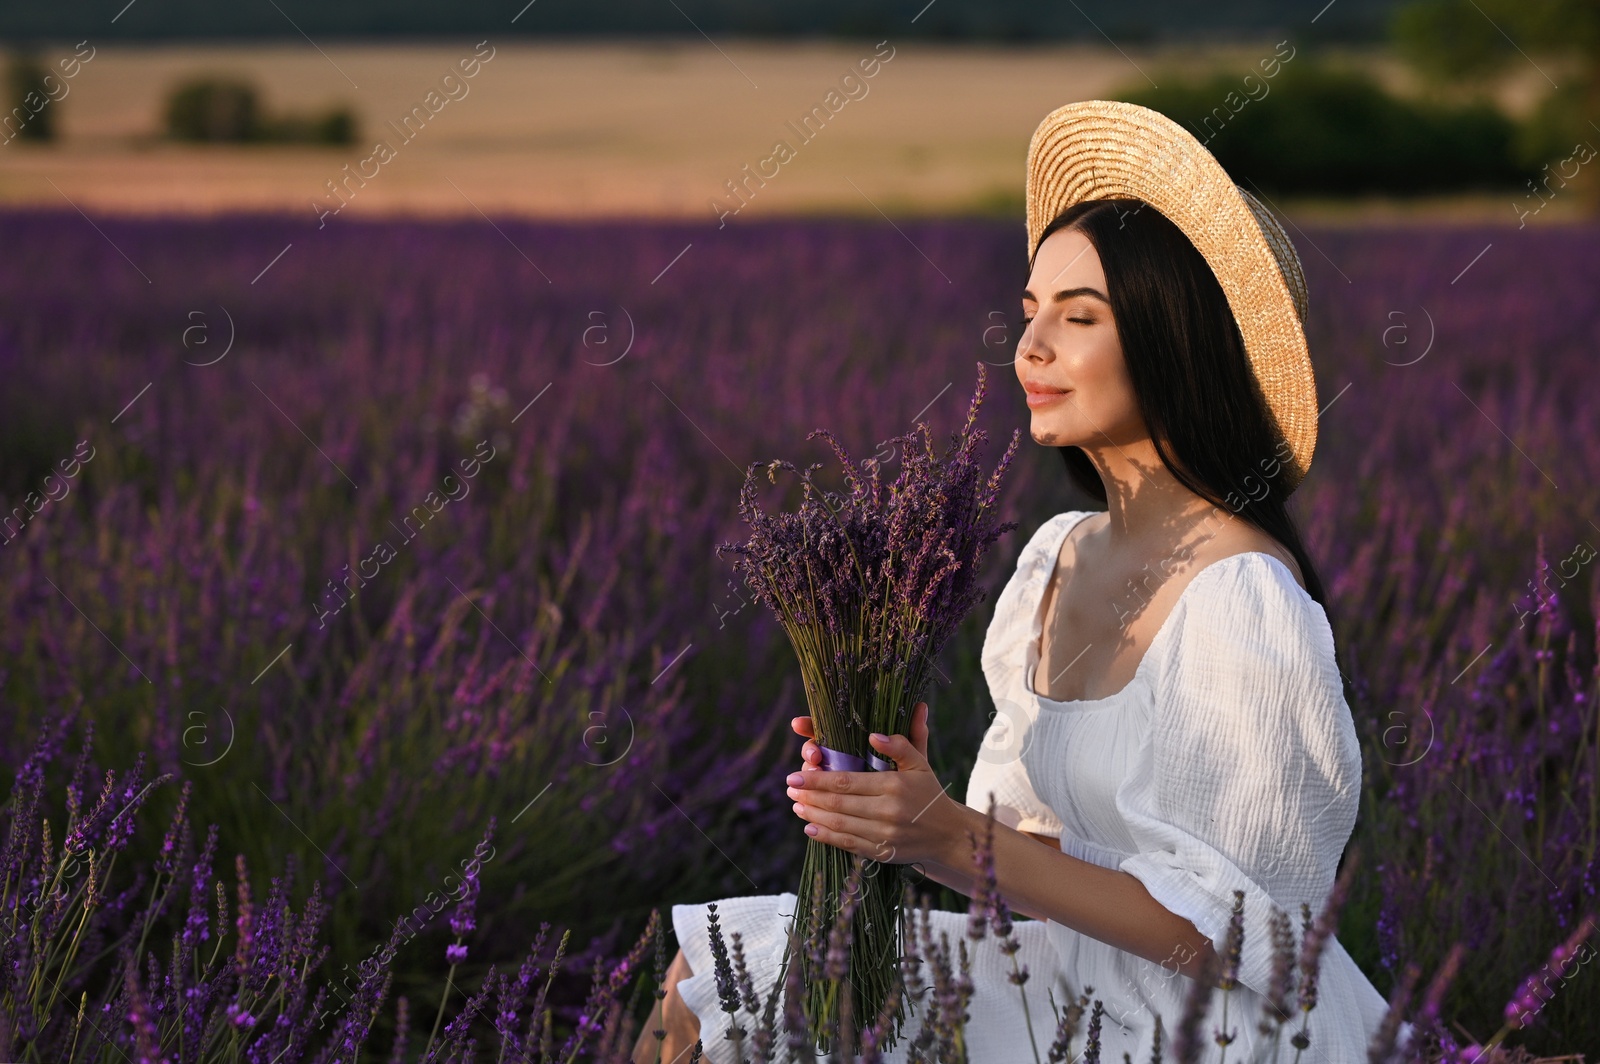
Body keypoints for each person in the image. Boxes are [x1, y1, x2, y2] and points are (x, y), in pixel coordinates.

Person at [632, 100, 1409, 1064]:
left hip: (1203, 1028)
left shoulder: (1242, 601)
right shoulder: (1060, 555)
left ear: (1178, 342)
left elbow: (1244, 936)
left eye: (1078, 317)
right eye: (1030, 309)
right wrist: (905, 809)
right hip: (1068, 971)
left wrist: (952, 840)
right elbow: (1041, 859)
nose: (1029, 347)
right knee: (707, 981)